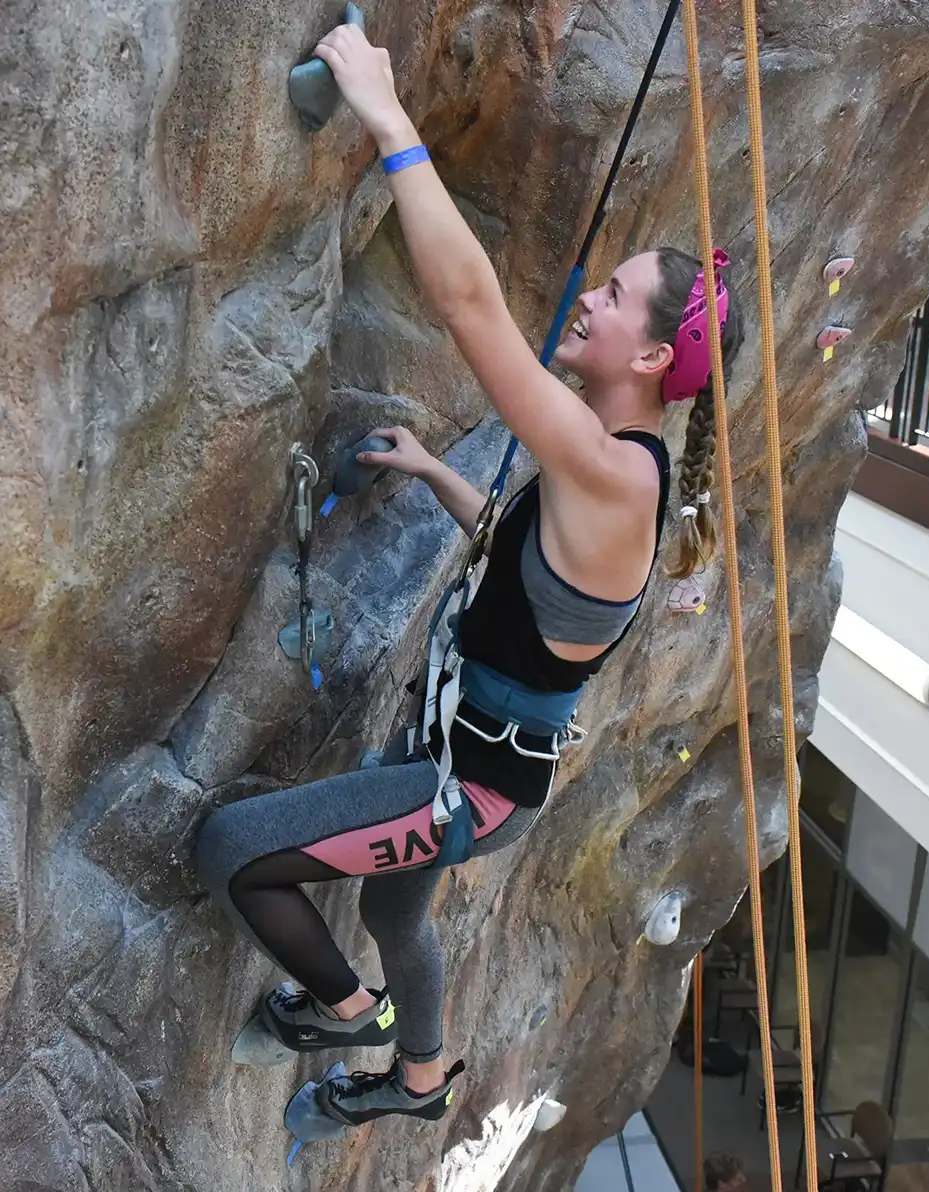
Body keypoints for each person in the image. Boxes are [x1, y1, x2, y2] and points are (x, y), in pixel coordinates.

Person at [194, 20, 745, 1129]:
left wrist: (387, 116)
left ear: (647, 357)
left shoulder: (611, 471)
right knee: (399, 916)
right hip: (470, 756)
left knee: (232, 851)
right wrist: (440, 471)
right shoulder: (612, 467)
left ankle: (350, 1013)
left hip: (463, 786)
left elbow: (472, 309)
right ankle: (422, 1082)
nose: (585, 295)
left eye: (612, 293)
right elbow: (524, 563)